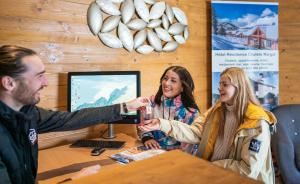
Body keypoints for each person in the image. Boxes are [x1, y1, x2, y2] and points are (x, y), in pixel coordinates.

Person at [0, 45, 148, 184]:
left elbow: (70, 119)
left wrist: (126, 106)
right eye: (39, 76)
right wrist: (73, 181)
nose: (46, 83)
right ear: (9, 83)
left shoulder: (28, 113)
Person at [140, 67, 277, 184]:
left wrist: (208, 167)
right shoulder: (217, 109)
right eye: (220, 83)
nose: (220, 87)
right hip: (214, 175)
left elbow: (248, 169)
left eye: (225, 84)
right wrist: (161, 124)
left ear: (239, 87)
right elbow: (195, 132)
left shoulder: (257, 121)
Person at [140, 66, 199, 152]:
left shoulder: (191, 113)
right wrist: (147, 138)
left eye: (173, 81)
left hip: (177, 158)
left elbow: (190, 146)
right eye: (165, 78)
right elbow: (141, 123)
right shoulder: (151, 103)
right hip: (152, 153)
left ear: (182, 87)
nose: (166, 83)